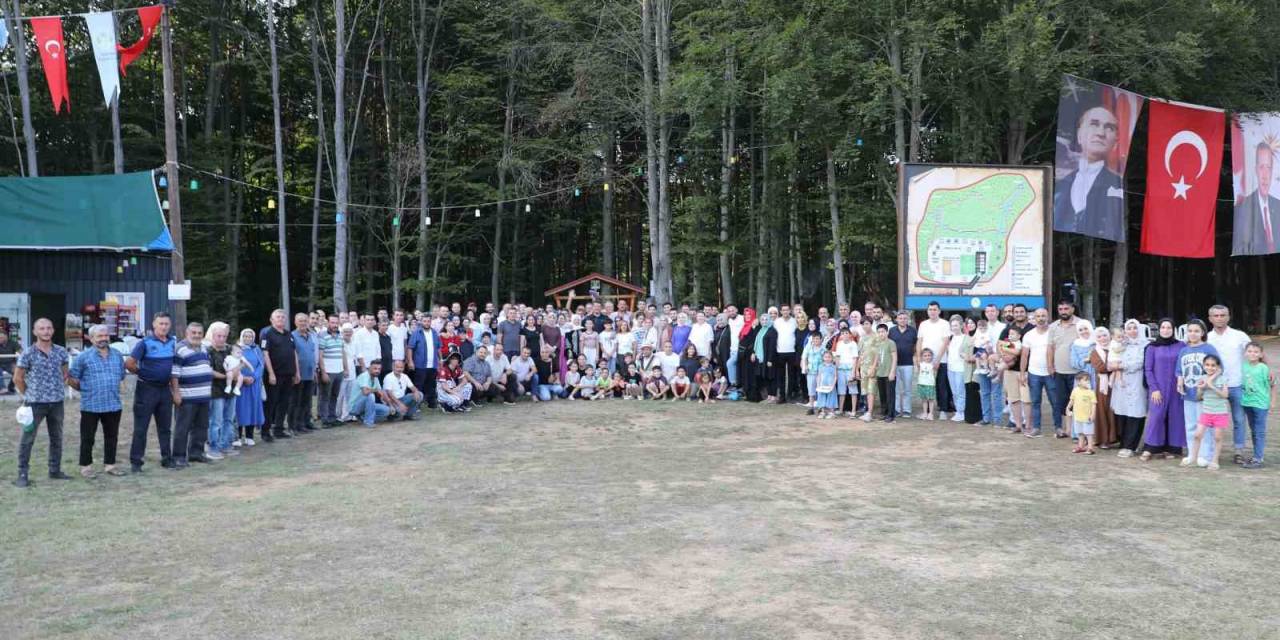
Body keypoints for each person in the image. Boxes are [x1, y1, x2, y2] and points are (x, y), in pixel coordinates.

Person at [1053, 104, 1125, 241]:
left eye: (1109, 128)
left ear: (1115, 142)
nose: (1100, 133)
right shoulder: (1060, 186)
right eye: (1094, 124)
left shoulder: (1116, 184)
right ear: (1079, 136)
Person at [13, 318, 70, 487]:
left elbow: (65, 374)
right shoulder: (28, 353)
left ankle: (55, 470)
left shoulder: (60, 351)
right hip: (34, 404)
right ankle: (22, 473)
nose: (46, 331)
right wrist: (29, 394)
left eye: (48, 328)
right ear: (35, 332)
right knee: (27, 439)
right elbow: (18, 378)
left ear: (53, 330)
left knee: (57, 438)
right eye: (42, 328)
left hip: (57, 403)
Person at [68, 324, 128, 478]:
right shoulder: (83, 357)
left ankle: (110, 465)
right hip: (91, 405)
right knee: (88, 438)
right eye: (99, 336)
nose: (103, 339)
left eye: (106, 336)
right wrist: (85, 389)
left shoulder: (117, 355)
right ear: (91, 338)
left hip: (113, 404)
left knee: (112, 437)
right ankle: (86, 467)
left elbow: (121, 376)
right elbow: (71, 378)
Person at [127, 312, 178, 471]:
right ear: (154, 325)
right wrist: (142, 373)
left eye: (166, 324)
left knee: (165, 427)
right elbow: (129, 363)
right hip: (146, 389)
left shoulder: (172, 342)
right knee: (141, 427)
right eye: (160, 323)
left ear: (170, 326)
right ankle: (136, 462)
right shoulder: (145, 343)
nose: (163, 327)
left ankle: (166, 459)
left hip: (165, 389)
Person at [1205, 305, 1252, 464]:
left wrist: (1266, 371)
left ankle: (1238, 451)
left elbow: (1254, 353)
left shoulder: (1239, 336)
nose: (1219, 318)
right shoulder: (1207, 338)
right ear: (1210, 318)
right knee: (1211, 419)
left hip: (1236, 384)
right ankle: (1210, 451)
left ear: (1229, 316)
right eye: (1216, 315)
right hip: (1214, 387)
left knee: (1239, 419)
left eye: (1222, 315)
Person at [1141, 319, 1186, 461]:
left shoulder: (1181, 346)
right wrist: (1154, 388)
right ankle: (1151, 447)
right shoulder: (1152, 347)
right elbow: (1148, 369)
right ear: (1159, 329)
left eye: (1169, 327)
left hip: (1176, 388)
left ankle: (1173, 448)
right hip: (1158, 387)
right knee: (1156, 416)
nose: (1166, 330)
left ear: (1173, 329)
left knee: (1175, 417)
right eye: (1163, 327)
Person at [171, 322, 215, 468]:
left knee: (202, 427)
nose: (196, 335)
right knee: (182, 427)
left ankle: (196, 453)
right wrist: (176, 393)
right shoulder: (179, 349)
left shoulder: (204, 348)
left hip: (203, 396)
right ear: (187, 333)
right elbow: (174, 374)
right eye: (193, 333)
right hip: (187, 397)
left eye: (199, 333)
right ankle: (178, 456)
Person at [1176, 319, 1219, 465]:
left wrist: (1209, 381)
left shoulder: (1209, 349)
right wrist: (1179, 382)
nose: (1193, 334)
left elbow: (1219, 368)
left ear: (1202, 333)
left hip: (1203, 395)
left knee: (1204, 425)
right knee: (1190, 425)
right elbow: (1179, 370)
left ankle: (1205, 455)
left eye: (1196, 331)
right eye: (1190, 331)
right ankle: (1192, 454)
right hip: (1187, 393)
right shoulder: (1184, 350)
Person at [1109, 320, 1150, 458]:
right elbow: (1112, 359)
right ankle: (1124, 442)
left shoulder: (1145, 345)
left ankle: (1131, 445)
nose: (1132, 331)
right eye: (1129, 328)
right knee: (1123, 412)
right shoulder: (1121, 344)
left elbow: (1139, 362)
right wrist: (1114, 365)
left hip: (1137, 381)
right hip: (1122, 382)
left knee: (1135, 412)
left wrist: (1121, 366)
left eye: (1135, 328)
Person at [1232, 141, 1280, 255]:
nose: (1265, 175)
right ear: (1255, 170)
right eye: (1261, 167)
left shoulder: (1278, 206)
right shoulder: (1243, 207)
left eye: (1268, 167)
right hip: (1254, 266)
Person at [1185, 355, 1230, 470]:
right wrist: (1200, 389)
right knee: (1197, 435)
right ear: (1204, 366)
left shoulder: (1222, 379)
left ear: (1218, 366)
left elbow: (1225, 395)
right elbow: (1198, 397)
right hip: (1206, 412)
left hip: (1220, 413)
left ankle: (1215, 461)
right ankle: (1193, 459)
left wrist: (1211, 386)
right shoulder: (1202, 378)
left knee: (1217, 437)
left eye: (1213, 365)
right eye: (1207, 365)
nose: (1210, 367)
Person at [1049, 300, 1087, 433]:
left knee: (1079, 401)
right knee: (1063, 400)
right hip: (1059, 371)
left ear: (1072, 309)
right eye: (1060, 309)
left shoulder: (1081, 324)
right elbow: (1050, 347)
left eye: (1066, 309)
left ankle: (1080, 430)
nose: (1063, 311)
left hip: (1078, 371)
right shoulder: (1053, 326)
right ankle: (1068, 429)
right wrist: (1050, 366)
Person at [260, 310, 299, 440]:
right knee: (271, 403)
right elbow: (265, 354)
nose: (281, 319)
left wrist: (297, 372)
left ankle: (279, 429)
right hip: (274, 375)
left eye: (283, 317)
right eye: (278, 317)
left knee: (284, 403)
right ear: (271, 319)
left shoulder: (289, 334)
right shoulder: (267, 333)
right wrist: (271, 373)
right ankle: (265, 431)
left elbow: (294, 353)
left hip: (288, 374)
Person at [203, 322, 240, 459]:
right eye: (219, 336)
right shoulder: (207, 351)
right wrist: (226, 376)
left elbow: (240, 362)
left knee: (229, 419)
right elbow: (209, 370)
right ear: (213, 336)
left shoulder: (230, 349)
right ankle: (213, 447)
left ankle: (226, 444)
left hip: (230, 391)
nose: (221, 339)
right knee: (216, 421)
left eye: (224, 336)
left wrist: (236, 373)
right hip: (216, 390)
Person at [1019, 308, 1056, 438]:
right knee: (1035, 402)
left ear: (1048, 317)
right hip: (1034, 372)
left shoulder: (1053, 332)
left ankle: (1058, 428)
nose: (1041, 318)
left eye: (1043, 316)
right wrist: (1022, 374)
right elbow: (1024, 355)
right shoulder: (1029, 335)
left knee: (1055, 401)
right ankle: (1036, 428)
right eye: (1038, 316)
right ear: (1034, 318)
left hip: (1051, 373)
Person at [1240, 342, 1273, 469]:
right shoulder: (1243, 366)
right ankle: (1256, 456)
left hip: (1260, 404)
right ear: (1245, 353)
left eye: (1255, 352)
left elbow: (1272, 385)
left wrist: (1272, 402)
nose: (1252, 354)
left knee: (1259, 431)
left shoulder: (1263, 368)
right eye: (1249, 351)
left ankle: (1258, 458)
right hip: (1247, 403)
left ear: (1261, 354)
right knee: (1253, 430)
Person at [1085, 327, 1119, 448]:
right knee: (1103, 410)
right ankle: (1104, 439)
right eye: (1099, 336)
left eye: (1104, 335)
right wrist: (1116, 366)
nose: (1102, 338)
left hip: (1118, 382)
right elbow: (1101, 368)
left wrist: (1116, 365)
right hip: (1103, 385)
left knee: (1117, 410)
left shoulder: (1116, 348)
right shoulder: (1095, 352)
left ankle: (1116, 437)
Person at [915, 302, 951, 416]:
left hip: (941, 360)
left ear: (939, 311)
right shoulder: (923, 324)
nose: (932, 311)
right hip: (925, 362)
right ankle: (927, 411)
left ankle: (943, 410)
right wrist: (918, 358)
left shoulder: (944, 324)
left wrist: (938, 360)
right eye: (930, 309)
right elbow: (919, 341)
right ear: (927, 311)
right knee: (926, 385)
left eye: (935, 309)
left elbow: (946, 342)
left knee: (941, 385)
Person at [233, 329, 265, 445]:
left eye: (250, 337)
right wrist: (243, 378)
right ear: (241, 337)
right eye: (245, 336)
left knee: (252, 408)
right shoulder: (237, 349)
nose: (248, 338)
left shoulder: (256, 349)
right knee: (239, 409)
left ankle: (249, 436)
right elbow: (233, 365)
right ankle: (237, 437)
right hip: (240, 384)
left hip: (253, 384)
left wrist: (254, 377)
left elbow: (261, 365)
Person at [290, 312, 320, 434]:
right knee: (296, 401)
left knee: (306, 401)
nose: (303, 323)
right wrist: (296, 373)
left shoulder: (311, 336)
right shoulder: (292, 336)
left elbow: (313, 354)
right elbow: (293, 355)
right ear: (295, 322)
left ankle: (305, 423)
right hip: (298, 374)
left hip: (309, 373)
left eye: (305, 321)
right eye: (300, 321)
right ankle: (294, 425)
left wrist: (314, 371)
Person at [317, 316, 348, 427]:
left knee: (334, 395)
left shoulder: (340, 336)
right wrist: (323, 372)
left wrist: (345, 368)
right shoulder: (323, 335)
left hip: (339, 370)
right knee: (325, 395)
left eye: (336, 323)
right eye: (332, 322)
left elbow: (342, 353)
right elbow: (320, 355)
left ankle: (332, 417)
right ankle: (324, 420)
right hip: (328, 371)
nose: (334, 325)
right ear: (328, 323)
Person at [406, 317, 440, 411]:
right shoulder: (416, 333)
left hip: (432, 364)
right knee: (418, 385)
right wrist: (410, 361)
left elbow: (438, 348)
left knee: (432, 385)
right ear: (421, 322)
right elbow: (410, 348)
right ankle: (416, 405)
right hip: (420, 364)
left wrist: (440, 360)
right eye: (424, 321)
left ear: (431, 322)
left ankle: (431, 404)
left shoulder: (434, 333)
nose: (426, 323)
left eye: (428, 321)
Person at [999, 326, 1029, 433]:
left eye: (1013, 334)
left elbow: (1017, 352)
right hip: (1010, 371)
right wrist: (1003, 352)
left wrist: (1005, 349)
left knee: (1026, 400)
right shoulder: (1008, 335)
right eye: (1010, 334)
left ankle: (1028, 426)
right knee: (1013, 399)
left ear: (1019, 336)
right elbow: (1000, 346)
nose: (1011, 336)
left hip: (1025, 372)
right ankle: (1018, 425)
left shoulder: (1019, 342)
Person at [888, 311, 917, 418]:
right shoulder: (891, 331)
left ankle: (906, 410)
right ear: (896, 319)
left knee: (907, 389)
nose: (902, 320)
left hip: (908, 363)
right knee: (895, 389)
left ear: (907, 319)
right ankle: (896, 409)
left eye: (904, 318)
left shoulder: (913, 331)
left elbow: (915, 345)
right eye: (900, 318)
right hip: (894, 364)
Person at [348, 359, 393, 426]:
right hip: (354, 407)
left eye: (379, 369)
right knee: (370, 396)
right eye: (375, 368)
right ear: (369, 368)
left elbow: (382, 392)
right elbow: (365, 392)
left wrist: (391, 405)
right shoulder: (364, 376)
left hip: (367, 406)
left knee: (387, 410)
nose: (377, 371)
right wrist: (376, 390)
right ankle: (368, 422)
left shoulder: (375, 378)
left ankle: (363, 417)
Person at [944, 315, 972, 423]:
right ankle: (958, 411)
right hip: (951, 368)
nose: (954, 327)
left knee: (960, 391)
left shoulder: (966, 338)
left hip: (961, 368)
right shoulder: (950, 337)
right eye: (952, 326)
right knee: (954, 391)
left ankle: (962, 412)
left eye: (956, 325)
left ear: (961, 326)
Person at [773, 305, 800, 401]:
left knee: (792, 374)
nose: (785, 312)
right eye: (783, 310)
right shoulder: (776, 322)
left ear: (790, 311)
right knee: (781, 375)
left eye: (787, 310)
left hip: (792, 351)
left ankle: (790, 395)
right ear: (780, 311)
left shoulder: (794, 321)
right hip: (780, 351)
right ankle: (782, 396)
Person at [1066, 373, 1097, 455]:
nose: (1088, 382)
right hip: (1077, 416)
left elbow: (1094, 404)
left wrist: (1093, 414)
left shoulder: (1091, 392)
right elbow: (1072, 400)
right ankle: (1081, 446)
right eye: (1085, 380)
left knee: (1088, 433)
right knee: (1080, 432)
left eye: (1088, 380)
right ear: (1079, 382)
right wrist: (1068, 408)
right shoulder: (1075, 390)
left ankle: (1090, 447)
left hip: (1087, 417)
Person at [873, 323, 899, 422]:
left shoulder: (891, 343)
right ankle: (884, 412)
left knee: (890, 395)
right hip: (880, 372)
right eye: (879, 332)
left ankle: (891, 415)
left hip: (889, 373)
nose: (881, 334)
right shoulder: (878, 344)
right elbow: (877, 357)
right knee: (882, 395)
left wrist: (892, 371)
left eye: (883, 332)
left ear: (887, 332)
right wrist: (874, 368)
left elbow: (894, 358)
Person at [801, 332, 825, 416]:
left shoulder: (823, 349)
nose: (816, 340)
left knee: (820, 390)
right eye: (814, 339)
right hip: (810, 372)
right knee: (811, 390)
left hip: (820, 373)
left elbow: (825, 360)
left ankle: (820, 407)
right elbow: (804, 357)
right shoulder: (809, 347)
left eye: (818, 339)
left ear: (821, 339)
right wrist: (805, 366)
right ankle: (811, 407)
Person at [816, 351, 839, 419]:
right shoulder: (821, 366)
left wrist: (833, 385)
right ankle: (823, 412)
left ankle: (831, 412)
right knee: (822, 397)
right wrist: (818, 385)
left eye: (829, 357)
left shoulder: (833, 367)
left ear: (832, 358)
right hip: (822, 385)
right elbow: (819, 376)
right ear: (823, 358)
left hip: (830, 386)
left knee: (831, 398)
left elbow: (835, 376)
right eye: (826, 357)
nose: (827, 358)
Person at [917, 348, 937, 421]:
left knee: (931, 399)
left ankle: (931, 414)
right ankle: (925, 413)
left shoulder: (933, 365)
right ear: (922, 357)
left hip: (930, 384)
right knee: (924, 399)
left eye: (929, 355)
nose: (927, 357)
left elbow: (934, 373)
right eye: (925, 356)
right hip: (922, 384)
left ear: (932, 356)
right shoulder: (920, 364)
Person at [0, 329, 19, 394]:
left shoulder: (13, 343)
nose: (0, 339)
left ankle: (10, 388)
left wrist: (17, 362)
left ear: (6, 337)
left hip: (10, 364)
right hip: (0, 364)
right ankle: (2, 388)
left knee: (17, 372)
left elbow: (21, 351)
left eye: (1, 337)